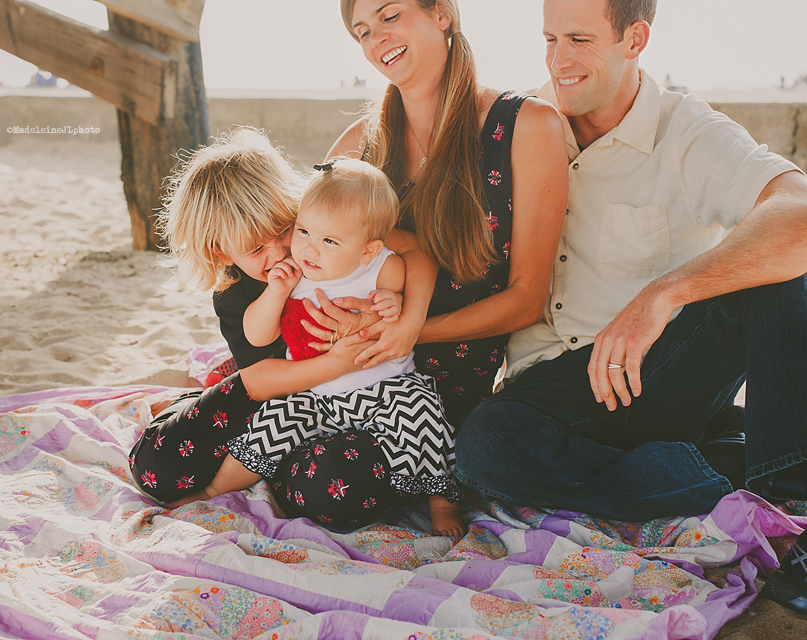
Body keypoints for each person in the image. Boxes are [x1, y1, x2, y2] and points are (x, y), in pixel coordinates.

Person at [456, 0, 807, 523]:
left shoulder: (686, 131)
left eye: (579, 40)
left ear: (635, 40)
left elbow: (798, 209)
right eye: (551, 39)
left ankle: (787, 495)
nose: (558, 60)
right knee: (484, 448)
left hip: (656, 374)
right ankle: (724, 471)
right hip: (547, 395)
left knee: (782, 272)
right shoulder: (522, 124)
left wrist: (661, 295)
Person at [305, 0, 568, 430]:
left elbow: (527, 300)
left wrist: (407, 330)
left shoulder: (528, 125)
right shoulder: (360, 145)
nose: (376, 39)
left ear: (441, 14)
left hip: (445, 406)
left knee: (325, 475)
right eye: (363, 31)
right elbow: (307, 252)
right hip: (341, 382)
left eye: (390, 16)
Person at [169, 158, 465, 536]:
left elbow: (401, 287)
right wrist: (276, 293)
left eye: (326, 240)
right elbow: (257, 336)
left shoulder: (379, 265)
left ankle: (443, 502)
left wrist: (398, 306)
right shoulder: (295, 272)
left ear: (367, 250)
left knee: (422, 415)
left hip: (384, 387)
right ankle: (214, 490)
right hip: (315, 394)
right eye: (304, 231)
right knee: (269, 423)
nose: (307, 247)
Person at [128, 128, 376, 505]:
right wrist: (336, 363)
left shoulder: (325, 245)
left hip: (340, 404)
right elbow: (258, 383)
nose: (277, 254)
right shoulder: (234, 292)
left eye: (284, 230)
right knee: (157, 468)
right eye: (256, 249)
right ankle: (196, 407)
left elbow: (397, 249)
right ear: (222, 253)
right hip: (271, 396)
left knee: (331, 493)